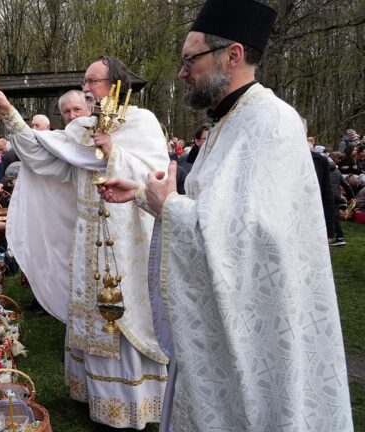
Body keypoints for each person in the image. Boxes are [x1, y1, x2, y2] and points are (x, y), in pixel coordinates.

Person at [97, 0, 353, 429]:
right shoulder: (228, 122)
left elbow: (254, 235)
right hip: (220, 326)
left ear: (232, 55)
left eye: (189, 60)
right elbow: (218, 211)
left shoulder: (271, 122)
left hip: (257, 327)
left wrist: (169, 206)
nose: (182, 73)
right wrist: (144, 194)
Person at [0, 58, 170, 428]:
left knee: (127, 312)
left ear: (116, 83)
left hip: (128, 238)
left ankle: (135, 400)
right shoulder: (82, 127)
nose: (86, 88)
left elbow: (157, 176)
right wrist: (9, 113)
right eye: (84, 82)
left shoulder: (143, 122)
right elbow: (44, 155)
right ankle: (96, 397)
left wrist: (114, 152)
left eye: (92, 81)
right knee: (92, 312)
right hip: (88, 237)